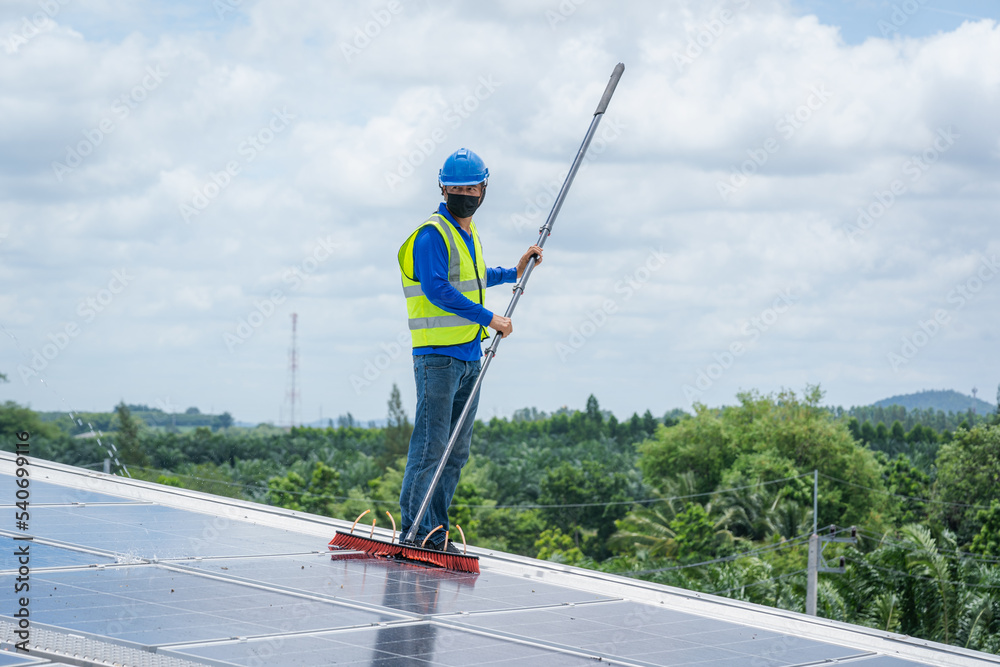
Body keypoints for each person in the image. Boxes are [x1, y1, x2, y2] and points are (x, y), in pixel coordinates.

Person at [397, 147, 542, 551]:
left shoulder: (468, 233)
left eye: (472, 187)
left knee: (455, 453)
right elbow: (437, 288)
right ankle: (414, 531)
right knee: (430, 449)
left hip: (468, 358)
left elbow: (474, 279)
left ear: (483, 189)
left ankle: (436, 534)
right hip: (437, 359)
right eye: (457, 187)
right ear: (443, 189)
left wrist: (513, 271)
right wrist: (490, 319)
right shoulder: (431, 234)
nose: (466, 193)